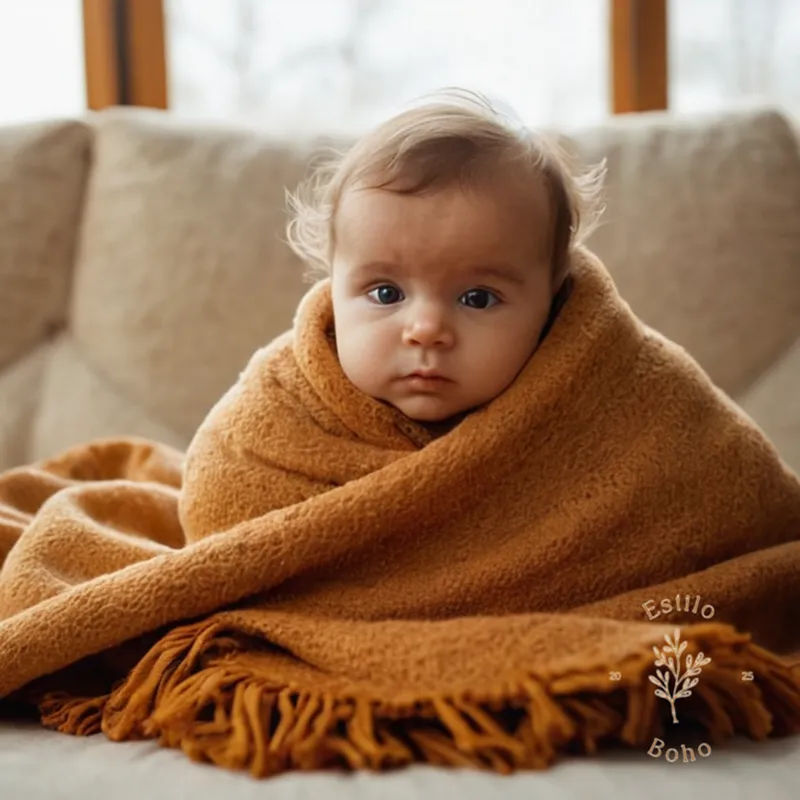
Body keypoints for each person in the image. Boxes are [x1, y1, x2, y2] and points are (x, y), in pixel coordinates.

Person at [286, 89, 605, 434]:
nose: (426, 330)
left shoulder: (597, 410)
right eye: (386, 294)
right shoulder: (286, 410)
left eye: (477, 298)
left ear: (552, 299)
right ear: (334, 287)